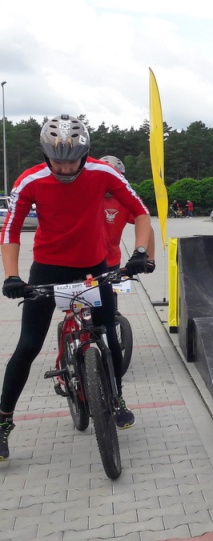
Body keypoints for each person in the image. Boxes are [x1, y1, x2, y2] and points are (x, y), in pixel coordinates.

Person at [0, 115, 156, 461]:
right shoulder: (30, 181)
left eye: (73, 160)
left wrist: (142, 253)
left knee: (109, 336)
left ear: (85, 154)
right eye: (58, 161)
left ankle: (115, 397)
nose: (66, 168)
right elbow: (10, 231)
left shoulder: (103, 172)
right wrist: (12, 276)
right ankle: (3, 422)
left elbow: (141, 212)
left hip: (93, 268)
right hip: (47, 269)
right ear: (45, 154)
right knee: (27, 346)